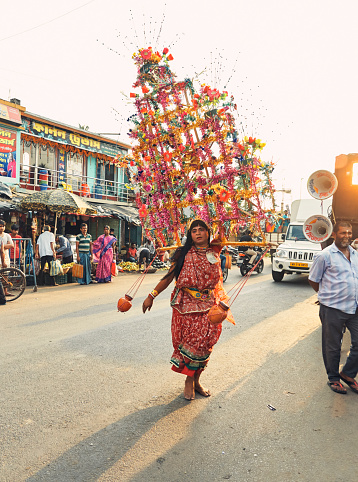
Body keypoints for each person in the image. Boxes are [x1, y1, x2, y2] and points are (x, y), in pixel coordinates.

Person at [142, 220, 234, 401]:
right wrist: (151, 295)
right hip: (186, 305)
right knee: (192, 343)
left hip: (210, 305)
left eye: (202, 230)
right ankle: (189, 380)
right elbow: (169, 277)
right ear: (190, 235)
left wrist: (220, 209)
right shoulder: (183, 253)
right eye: (194, 231)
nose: (198, 233)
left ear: (208, 232)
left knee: (206, 344)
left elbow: (225, 226)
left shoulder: (215, 250)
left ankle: (196, 380)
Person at [309, 221, 358, 395]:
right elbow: (314, 280)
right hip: (332, 308)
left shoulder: (355, 253)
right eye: (343, 233)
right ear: (334, 234)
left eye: (349, 232)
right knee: (332, 345)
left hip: (354, 307)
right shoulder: (325, 255)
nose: (347, 236)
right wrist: (326, 297)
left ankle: (348, 373)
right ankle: (334, 379)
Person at [0, 237, 7, 305]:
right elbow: (2, 252)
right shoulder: (0, 239)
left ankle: (2, 300)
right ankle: (2, 299)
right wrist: (3, 262)